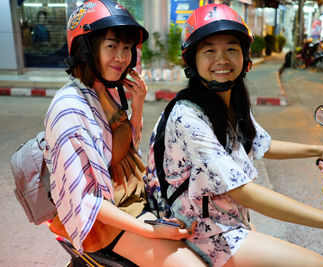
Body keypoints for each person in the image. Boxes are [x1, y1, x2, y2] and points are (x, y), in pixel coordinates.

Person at [146, 4, 323, 267]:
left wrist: (316, 149)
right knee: (317, 264)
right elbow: (243, 192)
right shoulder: (187, 116)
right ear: (192, 60)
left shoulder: (230, 102)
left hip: (228, 221)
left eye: (231, 48)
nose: (222, 59)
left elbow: (262, 143)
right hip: (201, 232)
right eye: (209, 50)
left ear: (245, 56)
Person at [43, 1, 205, 266]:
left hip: (133, 198)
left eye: (127, 47)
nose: (122, 56)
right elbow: (85, 197)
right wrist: (150, 230)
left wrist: (138, 103)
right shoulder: (69, 108)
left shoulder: (105, 92)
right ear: (86, 48)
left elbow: (123, 152)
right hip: (103, 219)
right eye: (112, 46)